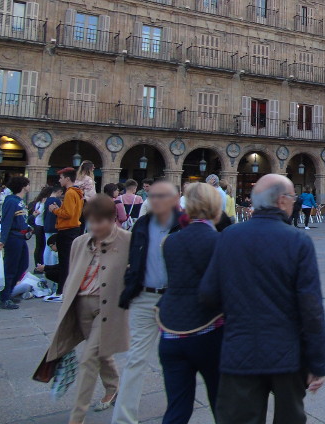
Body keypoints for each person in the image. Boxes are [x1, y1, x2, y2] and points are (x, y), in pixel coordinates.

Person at [200, 174, 325, 424]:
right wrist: (318, 363)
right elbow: (311, 308)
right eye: (292, 198)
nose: (294, 203)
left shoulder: (228, 236)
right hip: (287, 354)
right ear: (281, 201)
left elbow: (208, 294)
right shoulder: (298, 241)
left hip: (239, 349)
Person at [44, 195, 131, 424]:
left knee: (88, 359)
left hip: (107, 308)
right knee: (101, 353)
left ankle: (77, 416)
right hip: (81, 305)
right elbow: (74, 275)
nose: (94, 226)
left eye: (99, 221)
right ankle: (113, 387)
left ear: (112, 219)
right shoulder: (79, 243)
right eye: (91, 221)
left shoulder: (127, 241)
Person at [113, 181, 182, 424]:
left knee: (178, 363)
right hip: (144, 297)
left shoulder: (185, 226)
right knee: (135, 359)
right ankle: (122, 419)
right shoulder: (142, 224)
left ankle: (176, 416)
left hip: (174, 301)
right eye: (153, 196)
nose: (156, 201)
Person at [157, 183, 223, 424]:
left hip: (171, 333)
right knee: (221, 404)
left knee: (176, 408)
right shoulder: (219, 242)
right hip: (208, 331)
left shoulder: (170, 241)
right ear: (215, 208)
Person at [50, 167, 85, 300]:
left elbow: (68, 213)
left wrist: (55, 210)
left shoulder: (70, 193)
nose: (59, 180)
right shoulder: (77, 192)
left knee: (64, 262)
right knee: (69, 261)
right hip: (74, 228)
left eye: (61, 177)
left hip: (67, 230)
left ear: (67, 178)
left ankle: (62, 291)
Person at [0, 176, 31, 310]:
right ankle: (5, 297)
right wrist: (2, 240)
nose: (29, 186)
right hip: (13, 237)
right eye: (28, 184)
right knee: (11, 267)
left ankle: (8, 292)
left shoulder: (19, 201)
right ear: (23, 186)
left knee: (23, 265)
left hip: (21, 237)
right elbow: (6, 221)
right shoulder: (11, 201)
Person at [30, 185, 54, 268]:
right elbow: (39, 212)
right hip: (40, 225)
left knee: (40, 246)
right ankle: (39, 264)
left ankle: (38, 264)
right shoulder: (42, 202)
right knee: (41, 246)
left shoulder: (38, 201)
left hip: (38, 225)